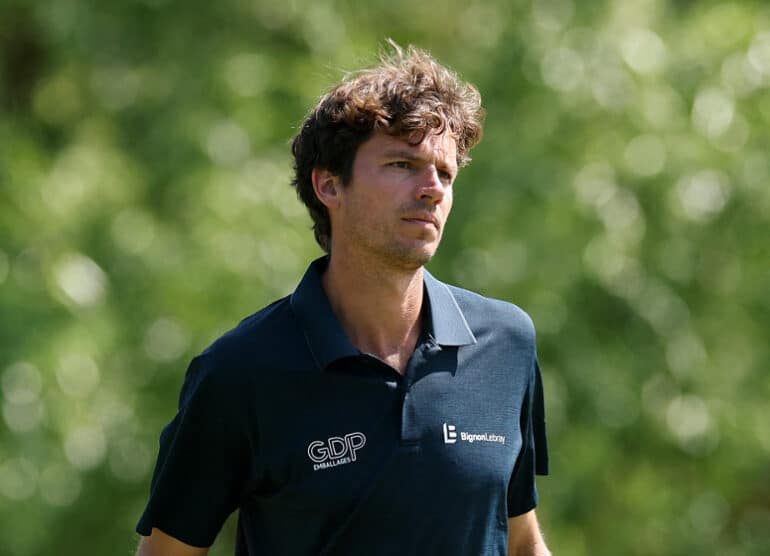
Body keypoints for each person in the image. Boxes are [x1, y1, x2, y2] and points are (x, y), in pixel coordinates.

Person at [135, 42, 550, 556]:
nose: (432, 189)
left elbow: (521, 540)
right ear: (329, 186)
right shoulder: (238, 373)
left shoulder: (506, 343)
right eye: (403, 164)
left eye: (445, 173)